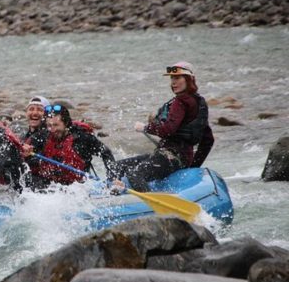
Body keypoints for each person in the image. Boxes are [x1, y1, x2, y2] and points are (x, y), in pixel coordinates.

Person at [112, 61, 214, 192]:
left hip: (170, 158)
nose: (173, 82)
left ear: (189, 79)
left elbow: (168, 130)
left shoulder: (180, 102)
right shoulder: (199, 103)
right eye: (172, 78)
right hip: (177, 158)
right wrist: (192, 167)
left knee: (134, 174)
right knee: (117, 166)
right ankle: (116, 191)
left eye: (177, 78)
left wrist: (145, 128)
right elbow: (208, 140)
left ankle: (145, 202)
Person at [23, 104, 116, 187]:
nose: (52, 129)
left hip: (78, 187)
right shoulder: (41, 137)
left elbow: (106, 153)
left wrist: (112, 178)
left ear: (66, 123)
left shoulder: (82, 138)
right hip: (50, 184)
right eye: (49, 125)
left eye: (56, 125)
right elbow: (23, 157)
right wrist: (25, 155)